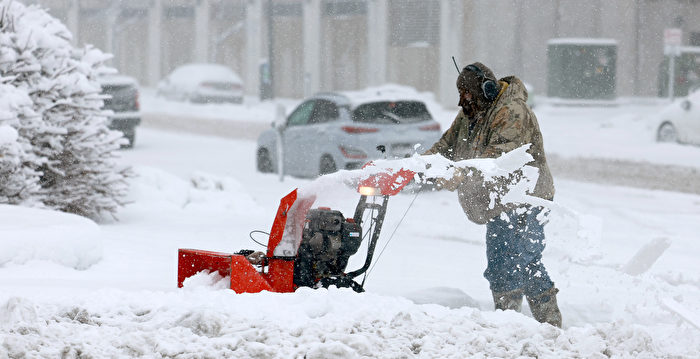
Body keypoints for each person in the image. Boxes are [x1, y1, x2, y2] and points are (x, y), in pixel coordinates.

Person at [423, 62, 562, 327]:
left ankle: (534, 330)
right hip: (501, 201)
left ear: (487, 89)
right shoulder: (470, 113)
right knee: (512, 267)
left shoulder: (512, 111)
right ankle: (527, 329)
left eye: (468, 94)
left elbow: (499, 158)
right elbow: (445, 147)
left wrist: (459, 174)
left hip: (526, 198)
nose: (463, 99)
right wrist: (416, 166)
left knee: (515, 265)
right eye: (461, 93)